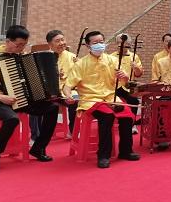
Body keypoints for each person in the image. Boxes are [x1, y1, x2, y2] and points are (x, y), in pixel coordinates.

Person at [0, 25, 59, 174]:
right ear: (8, 41)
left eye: (24, 45)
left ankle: (38, 148)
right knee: (12, 119)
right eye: (18, 45)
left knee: (52, 108)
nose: (21, 48)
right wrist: (1, 97)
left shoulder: (22, 57)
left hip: (20, 99)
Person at [63, 31, 140, 169]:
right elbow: (68, 85)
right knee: (107, 116)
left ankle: (125, 150)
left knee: (128, 115)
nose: (99, 45)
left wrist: (124, 77)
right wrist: (68, 96)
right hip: (90, 100)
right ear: (88, 45)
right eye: (95, 43)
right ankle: (103, 155)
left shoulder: (112, 60)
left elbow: (124, 82)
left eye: (101, 42)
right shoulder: (81, 63)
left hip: (110, 97)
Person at [46, 29, 78, 135]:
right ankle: (36, 134)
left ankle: (73, 131)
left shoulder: (72, 57)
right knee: (36, 101)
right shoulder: (45, 57)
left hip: (68, 90)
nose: (61, 43)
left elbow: (77, 76)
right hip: (50, 92)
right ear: (50, 44)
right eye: (57, 41)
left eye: (63, 40)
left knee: (75, 100)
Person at [110, 35, 143, 133]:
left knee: (134, 100)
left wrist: (136, 67)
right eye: (120, 43)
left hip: (128, 86)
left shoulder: (134, 56)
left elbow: (138, 74)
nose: (123, 45)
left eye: (126, 43)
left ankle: (132, 124)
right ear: (117, 44)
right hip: (114, 86)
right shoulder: (111, 57)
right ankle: (111, 123)